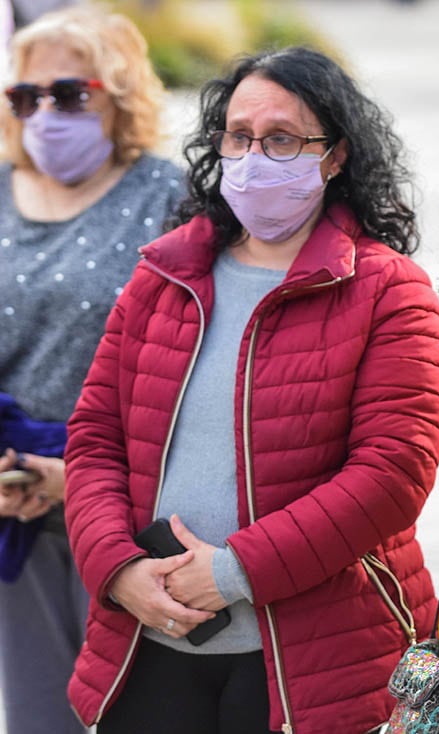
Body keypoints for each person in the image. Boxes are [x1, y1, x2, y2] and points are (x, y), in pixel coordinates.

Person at [62, 46, 439, 734]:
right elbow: (94, 439)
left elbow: (393, 473)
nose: (253, 157)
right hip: (150, 646)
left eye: (281, 139)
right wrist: (117, 569)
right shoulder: (165, 276)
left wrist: (235, 571)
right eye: (239, 136)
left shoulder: (390, 290)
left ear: (334, 155)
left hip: (316, 666)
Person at [0, 6, 184, 734]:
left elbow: (198, 356)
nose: (47, 113)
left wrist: (77, 478)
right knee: (41, 715)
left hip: (134, 509)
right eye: (25, 96)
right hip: (15, 509)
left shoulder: (171, 196)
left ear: (120, 93)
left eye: (70, 93)